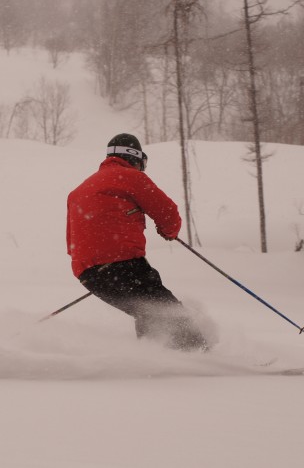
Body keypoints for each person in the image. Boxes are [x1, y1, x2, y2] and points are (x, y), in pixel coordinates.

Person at [66, 133, 209, 351]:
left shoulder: (78, 191)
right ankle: (201, 356)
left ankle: (149, 358)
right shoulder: (131, 177)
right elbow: (168, 213)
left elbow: (73, 240)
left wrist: (95, 269)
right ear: (135, 158)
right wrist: (168, 231)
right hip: (122, 266)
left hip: (89, 275)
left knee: (147, 311)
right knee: (168, 311)